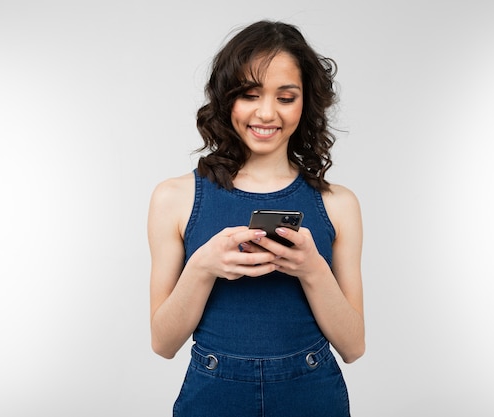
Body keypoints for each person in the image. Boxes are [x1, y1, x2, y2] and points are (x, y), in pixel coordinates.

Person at [148, 20, 365, 417]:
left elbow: (353, 347)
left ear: (306, 103)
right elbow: (163, 344)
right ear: (226, 98)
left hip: (312, 394)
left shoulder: (339, 204)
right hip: (213, 395)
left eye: (286, 97)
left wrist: (312, 269)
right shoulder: (174, 198)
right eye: (249, 94)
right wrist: (202, 266)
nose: (266, 112)